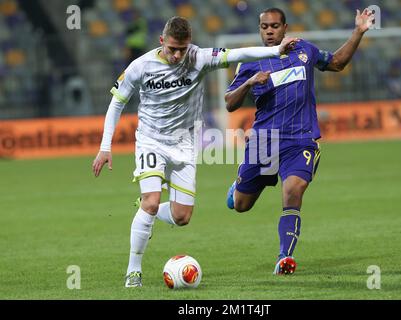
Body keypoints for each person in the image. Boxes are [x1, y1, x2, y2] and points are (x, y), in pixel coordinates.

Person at [91, 16, 298, 287]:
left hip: (184, 144)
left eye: (183, 49)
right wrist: (105, 147)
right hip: (151, 141)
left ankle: (144, 211)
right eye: (173, 49)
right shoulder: (139, 66)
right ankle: (133, 270)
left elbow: (238, 53)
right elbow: (116, 104)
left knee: (181, 217)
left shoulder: (199, 57)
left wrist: (275, 50)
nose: (178, 55)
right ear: (161, 41)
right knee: (152, 201)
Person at [225, 8, 375, 275]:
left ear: (284, 27)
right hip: (264, 141)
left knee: (293, 190)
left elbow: (337, 62)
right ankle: (236, 188)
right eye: (264, 27)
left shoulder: (304, 50)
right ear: (260, 29)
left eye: (274, 26)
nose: (269, 31)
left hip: (301, 139)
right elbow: (229, 103)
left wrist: (358, 31)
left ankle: (285, 257)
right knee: (241, 205)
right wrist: (248, 84)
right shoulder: (251, 60)